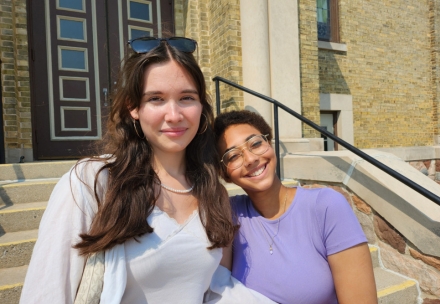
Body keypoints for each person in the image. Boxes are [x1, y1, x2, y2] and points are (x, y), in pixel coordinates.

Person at [20, 37, 272, 304]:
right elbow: (47, 293)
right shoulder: (93, 182)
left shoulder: (214, 194)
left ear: (201, 107)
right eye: (156, 99)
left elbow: (218, 289)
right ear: (134, 108)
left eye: (187, 97)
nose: (174, 114)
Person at [214, 110, 378, 304]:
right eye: (233, 156)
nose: (250, 159)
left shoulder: (326, 207)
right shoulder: (229, 215)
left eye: (256, 143)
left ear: (269, 144)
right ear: (224, 174)